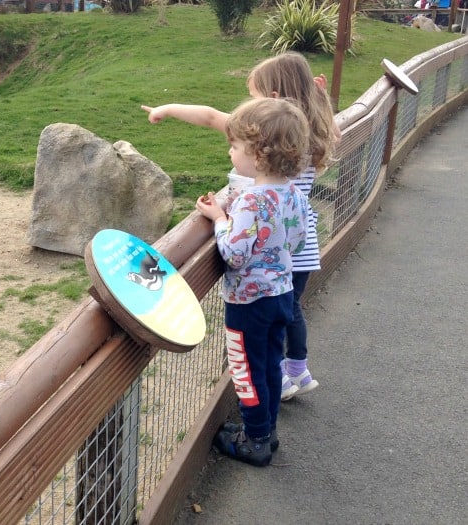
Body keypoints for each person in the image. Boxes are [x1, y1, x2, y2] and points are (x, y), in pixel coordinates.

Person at [141, 51, 339, 402]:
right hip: (297, 243)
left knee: (269, 317)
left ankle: (274, 383)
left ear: (275, 98)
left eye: (255, 96)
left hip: (267, 248)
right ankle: (296, 370)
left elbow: (209, 116)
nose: (249, 106)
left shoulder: (265, 141)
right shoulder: (308, 136)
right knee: (290, 310)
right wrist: (320, 96)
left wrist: (167, 109)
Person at [194, 97, 309, 466]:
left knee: (246, 369)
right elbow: (298, 240)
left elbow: (234, 253)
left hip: (248, 302)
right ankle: (267, 430)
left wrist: (219, 219)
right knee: (270, 363)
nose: (231, 152)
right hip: (281, 294)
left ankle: (255, 440)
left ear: (257, 155)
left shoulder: (250, 202)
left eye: (235, 146)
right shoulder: (293, 192)